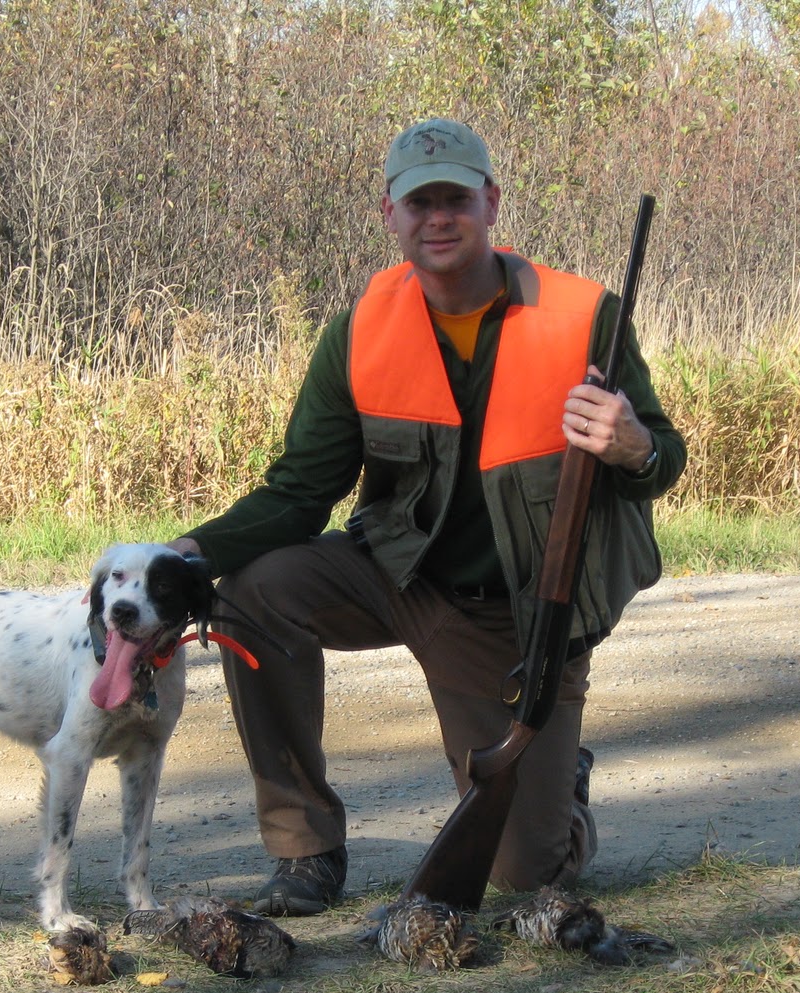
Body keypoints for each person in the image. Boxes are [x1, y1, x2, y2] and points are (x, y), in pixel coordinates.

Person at [168, 118, 686, 915]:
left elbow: (665, 459)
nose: (438, 218)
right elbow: (299, 493)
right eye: (420, 202)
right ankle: (305, 851)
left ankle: (563, 793)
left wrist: (633, 446)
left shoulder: (586, 316)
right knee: (254, 591)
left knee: (524, 877)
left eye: (455, 199)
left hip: (513, 622)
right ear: (391, 214)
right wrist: (189, 554)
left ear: (491, 204)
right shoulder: (360, 332)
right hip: (397, 576)